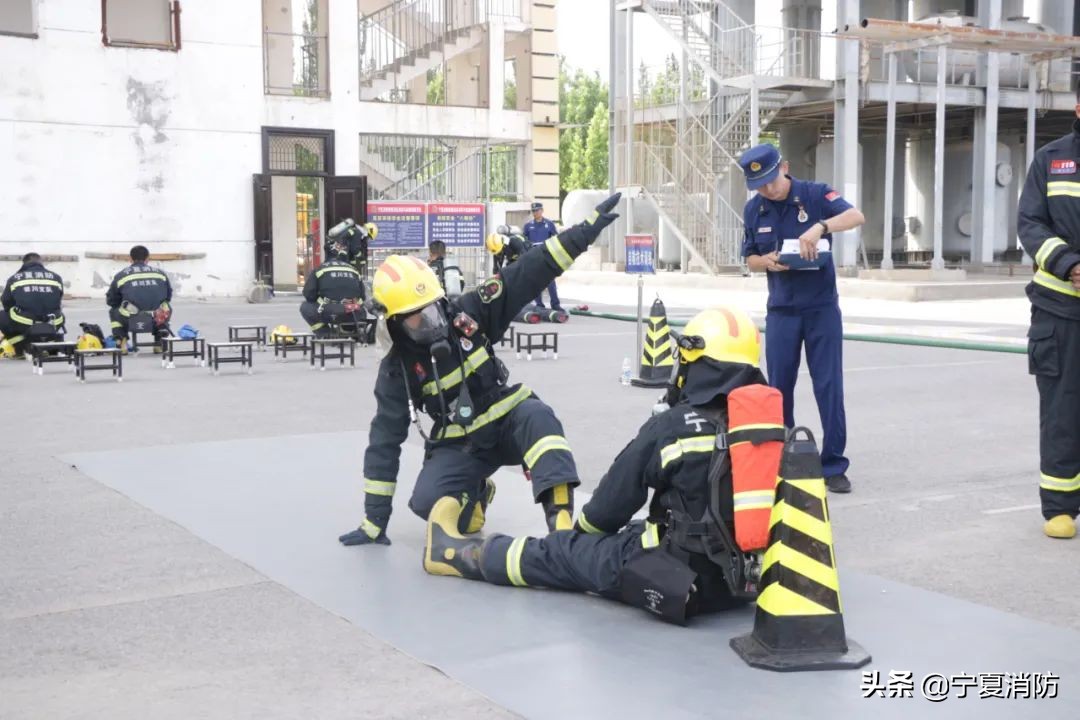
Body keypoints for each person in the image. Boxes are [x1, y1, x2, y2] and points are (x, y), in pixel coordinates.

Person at [422, 306, 774, 625]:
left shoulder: (674, 426)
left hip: (684, 581)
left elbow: (611, 504)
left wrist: (579, 539)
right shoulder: (771, 430)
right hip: (744, 586)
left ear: (695, 363)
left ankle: (456, 554)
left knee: (560, 553)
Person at [338, 193, 621, 547]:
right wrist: (373, 521)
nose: (432, 322)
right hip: (459, 441)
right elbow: (384, 441)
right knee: (428, 504)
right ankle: (476, 492)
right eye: (418, 317)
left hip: (505, 418)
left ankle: (561, 524)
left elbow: (530, 271)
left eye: (434, 309)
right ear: (394, 324)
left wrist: (584, 232)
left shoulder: (469, 311)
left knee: (539, 418)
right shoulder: (397, 369)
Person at [739, 143, 865, 494]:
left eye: (771, 181)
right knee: (779, 388)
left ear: (785, 166)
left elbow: (856, 216)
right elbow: (748, 257)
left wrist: (820, 227)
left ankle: (834, 464)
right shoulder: (755, 210)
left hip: (821, 308)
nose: (768, 189)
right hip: (781, 310)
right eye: (760, 185)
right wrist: (768, 261)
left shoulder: (814, 193)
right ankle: (785, 459)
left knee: (828, 385)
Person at [1018, 92, 1080, 539]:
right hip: (1060, 310)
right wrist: (1070, 265)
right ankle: (1059, 507)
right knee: (1062, 411)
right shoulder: (1051, 159)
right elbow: (1030, 224)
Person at [106, 245, 173, 353]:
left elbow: (111, 300)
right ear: (147, 259)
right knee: (165, 306)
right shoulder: (160, 274)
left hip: (131, 318)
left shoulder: (121, 275)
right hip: (156, 318)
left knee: (114, 311)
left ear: (130, 259)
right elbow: (168, 296)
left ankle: (121, 342)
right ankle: (160, 340)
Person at [300, 232, 367, 338]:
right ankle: (350, 331)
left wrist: (323, 297)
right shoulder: (353, 270)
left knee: (305, 307)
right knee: (359, 307)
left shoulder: (320, 270)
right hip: (355, 313)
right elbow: (363, 297)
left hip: (330, 313)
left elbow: (308, 294)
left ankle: (326, 333)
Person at [0, 252, 65, 358]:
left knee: (3, 316)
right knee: (59, 313)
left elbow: (6, 301)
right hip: (52, 321)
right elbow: (58, 298)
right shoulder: (56, 277)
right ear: (41, 262)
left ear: (24, 263)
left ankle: (20, 348)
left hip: (26, 322)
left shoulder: (15, 278)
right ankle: (49, 342)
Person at [523, 202, 563, 311]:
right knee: (536, 282)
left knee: (550, 282)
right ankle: (539, 305)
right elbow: (524, 242)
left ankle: (555, 304)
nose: (535, 213)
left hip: (547, 257)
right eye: (533, 211)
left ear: (542, 210)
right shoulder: (528, 226)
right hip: (534, 256)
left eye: (537, 210)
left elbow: (556, 240)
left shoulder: (549, 224)